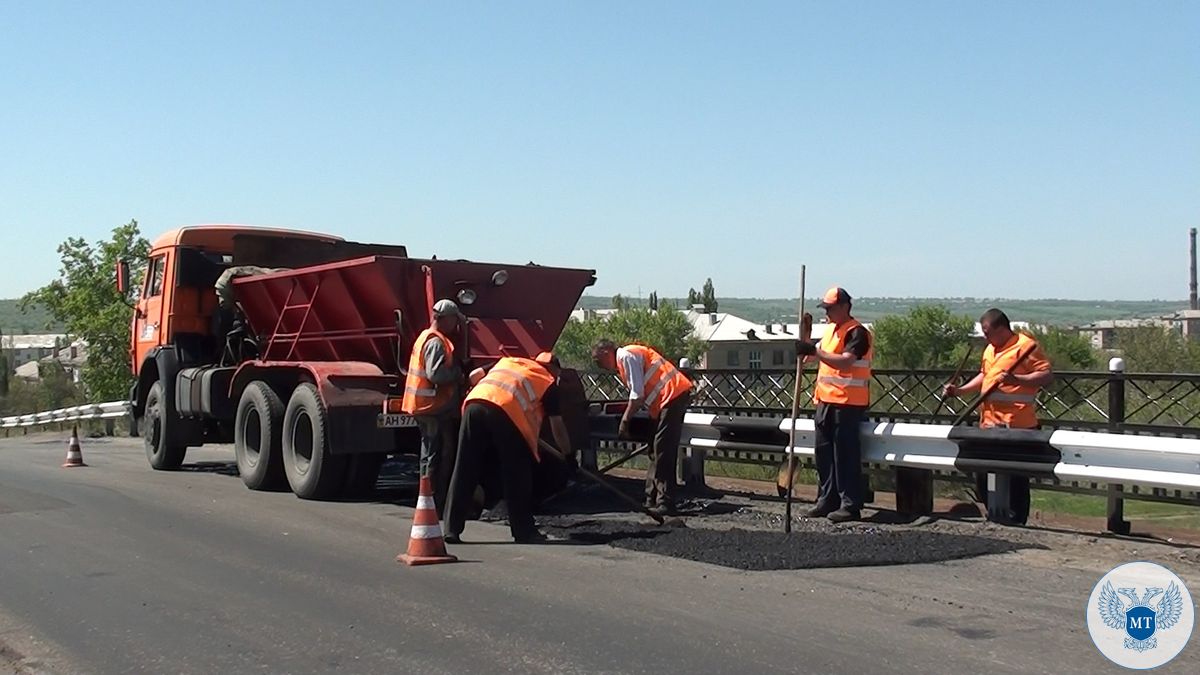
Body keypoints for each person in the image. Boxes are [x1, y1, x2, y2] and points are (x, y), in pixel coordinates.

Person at [444, 352, 574, 544]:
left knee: (465, 467)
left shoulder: (509, 362)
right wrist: (569, 456)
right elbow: (558, 427)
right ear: (554, 369)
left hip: (475, 404)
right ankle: (524, 531)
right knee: (516, 475)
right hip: (508, 414)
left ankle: (451, 529)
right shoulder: (546, 381)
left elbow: (473, 376)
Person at [942, 308, 1054, 525]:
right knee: (983, 473)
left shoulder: (1025, 346)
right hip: (990, 422)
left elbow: (1046, 375)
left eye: (988, 332)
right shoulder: (990, 349)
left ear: (1002, 329)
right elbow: (986, 376)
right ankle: (994, 510)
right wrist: (960, 391)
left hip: (1017, 424)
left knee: (1015, 476)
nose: (985, 337)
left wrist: (1018, 380)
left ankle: (1017, 518)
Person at [794, 286, 873, 523]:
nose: (827, 313)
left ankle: (850, 505)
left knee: (845, 456)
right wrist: (805, 342)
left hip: (848, 403)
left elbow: (846, 362)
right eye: (825, 309)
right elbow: (810, 358)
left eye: (830, 308)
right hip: (825, 401)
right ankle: (827, 499)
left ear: (844, 307)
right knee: (824, 455)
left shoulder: (857, 333)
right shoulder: (831, 330)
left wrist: (815, 352)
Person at [591, 339, 693, 515]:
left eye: (599, 361)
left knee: (662, 450)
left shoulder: (626, 356)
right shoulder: (626, 360)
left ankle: (665, 502)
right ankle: (652, 498)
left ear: (607, 352)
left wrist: (625, 421)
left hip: (672, 396)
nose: (600, 366)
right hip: (664, 402)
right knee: (655, 449)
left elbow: (637, 396)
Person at [400, 299, 467, 518]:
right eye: (454, 319)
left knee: (430, 454)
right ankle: (430, 503)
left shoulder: (425, 336)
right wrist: (458, 374)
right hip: (431, 407)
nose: (456, 324)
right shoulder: (436, 342)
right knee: (433, 456)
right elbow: (435, 375)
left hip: (427, 407)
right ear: (444, 318)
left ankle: (428, 501)